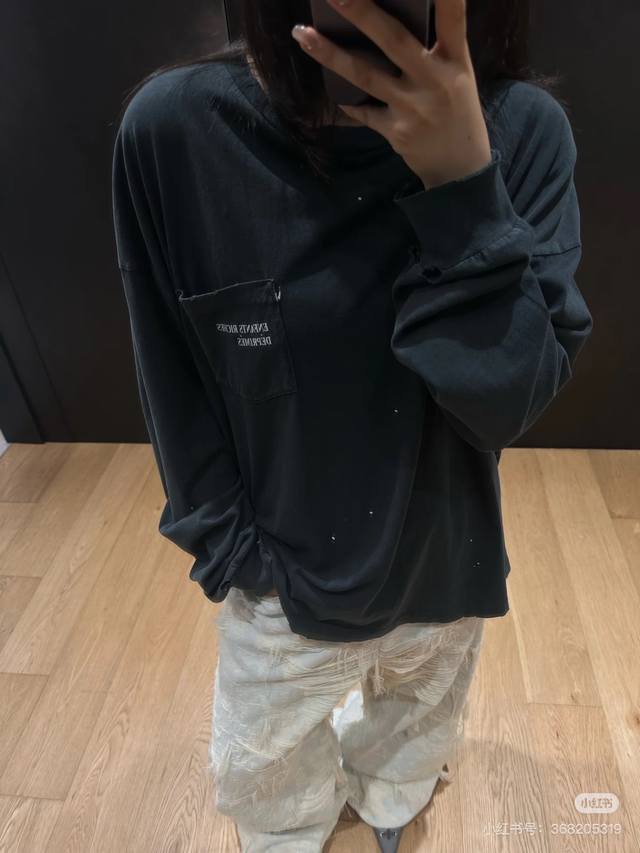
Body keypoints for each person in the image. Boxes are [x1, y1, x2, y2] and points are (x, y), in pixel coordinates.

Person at [111, 1, 594, 850]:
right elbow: (172, 378)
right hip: (279, 592)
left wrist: (465, 188)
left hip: (447, 571)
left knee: (409, 746)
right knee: (271, 790)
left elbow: (507, 400)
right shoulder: (180, 133)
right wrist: (237, 557)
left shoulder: (523, 132)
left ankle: (389, 797)